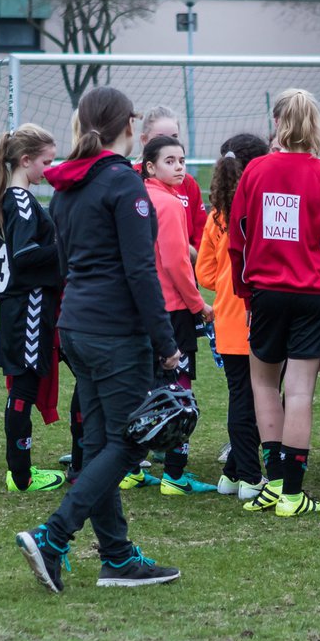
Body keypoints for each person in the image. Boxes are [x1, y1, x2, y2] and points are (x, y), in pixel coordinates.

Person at [15, 87, 181, 593]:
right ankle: (54, 535)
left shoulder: (66, 185)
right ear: (129, 125)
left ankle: (117, 557)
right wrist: (167, 342)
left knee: (102, 444)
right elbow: (140, 272)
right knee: (130, 446)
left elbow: (66, 264)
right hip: (114, 333)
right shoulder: (121, 185)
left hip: (78, 328)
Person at [228, 88, 320, 517]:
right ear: (315, 126)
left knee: (264, 384)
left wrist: (246, 292)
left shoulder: (255, 173)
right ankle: (291, 493)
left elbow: (239, 240)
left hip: (268, 292)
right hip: (315, 293)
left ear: (278, 124)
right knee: (300, 389)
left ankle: (272, 484)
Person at [0, 123, 66, 493]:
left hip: (22, 306)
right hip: (28, 305)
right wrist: (65, 250)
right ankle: (22, 475)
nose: (50, 169)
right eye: (47, 162)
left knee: (23, 385)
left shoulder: (17, 198)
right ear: (25, 160)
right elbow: (24, 255)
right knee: (24, 388)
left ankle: (20, 471)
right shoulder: (20, 200)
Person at [138, 135, 217, 495]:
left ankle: (131, 467)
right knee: (178, 389)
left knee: (145, 386)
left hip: (143, 307)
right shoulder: (168, 205)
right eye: (170, 161)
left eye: (182, 160)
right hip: (172, 309)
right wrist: (198, 303)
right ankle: (174, 473)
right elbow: (175, 262)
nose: (180, 166)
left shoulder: (139, 198)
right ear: (150, 166)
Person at [195, 133, 271, 501]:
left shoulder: (217, 217)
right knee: (256, 397)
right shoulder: (259, 211)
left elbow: (204, 273)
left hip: (226, 317)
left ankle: (231, 473)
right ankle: (251, 477)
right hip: (254, 314)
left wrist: (225, 283)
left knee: (242, 393)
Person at [140, 106, 206, 254]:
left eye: (174, 137)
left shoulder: (188, 183)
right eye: (160, 137)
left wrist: (195, 257)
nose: (168, 143)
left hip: (187, 266)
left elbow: (202, 231)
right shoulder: (133, 178)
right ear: (144, 140)